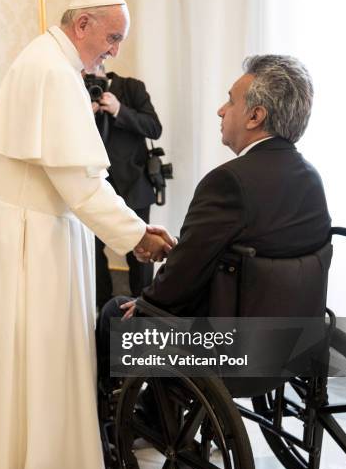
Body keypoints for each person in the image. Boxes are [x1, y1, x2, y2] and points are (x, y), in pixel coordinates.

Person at [0, 0, 174, 469]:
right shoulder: (55, 74)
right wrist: (137, 236)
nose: (114, 50)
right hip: (31, 233)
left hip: (30, 222)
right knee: (39, 348)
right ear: (81, 24)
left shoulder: (46, 59)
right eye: (111, 37)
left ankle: (11, 466)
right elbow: (81, 184)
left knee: (22, 351)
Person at [99, 55, 331, 331]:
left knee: (115, 310)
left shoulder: (229, 181)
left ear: (256, 116)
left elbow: (177, 285)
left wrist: (146, 302)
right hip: (292, 343)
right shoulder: (311, 178)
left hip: (223, 347)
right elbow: (255, 252)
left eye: (231, 101)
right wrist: (181, 248)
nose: (221, 110)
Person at [87, 65, 162, 308]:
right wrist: (86, 113)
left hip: (134, 185)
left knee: (142, 252)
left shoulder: (132, 87)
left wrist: (120, 110)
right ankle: (102, 307)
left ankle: (144, 309)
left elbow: (154, 128)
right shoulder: (75, 92)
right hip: (92, 188)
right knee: (92, 253)